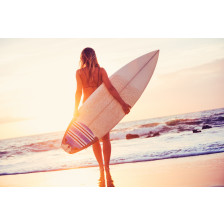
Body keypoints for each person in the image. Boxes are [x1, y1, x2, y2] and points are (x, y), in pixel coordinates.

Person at [74, 47, 131, 187]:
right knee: (105, 138)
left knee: (94, 140)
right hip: (101, 107)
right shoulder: (101, 71)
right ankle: (106, 167)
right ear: (94, 56)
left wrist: (75, 111)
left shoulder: (79, 73)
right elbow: (110, 89)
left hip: (88, 108)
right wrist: (122, 103)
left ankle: (100, 168)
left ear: (82, 58)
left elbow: (79, 92)